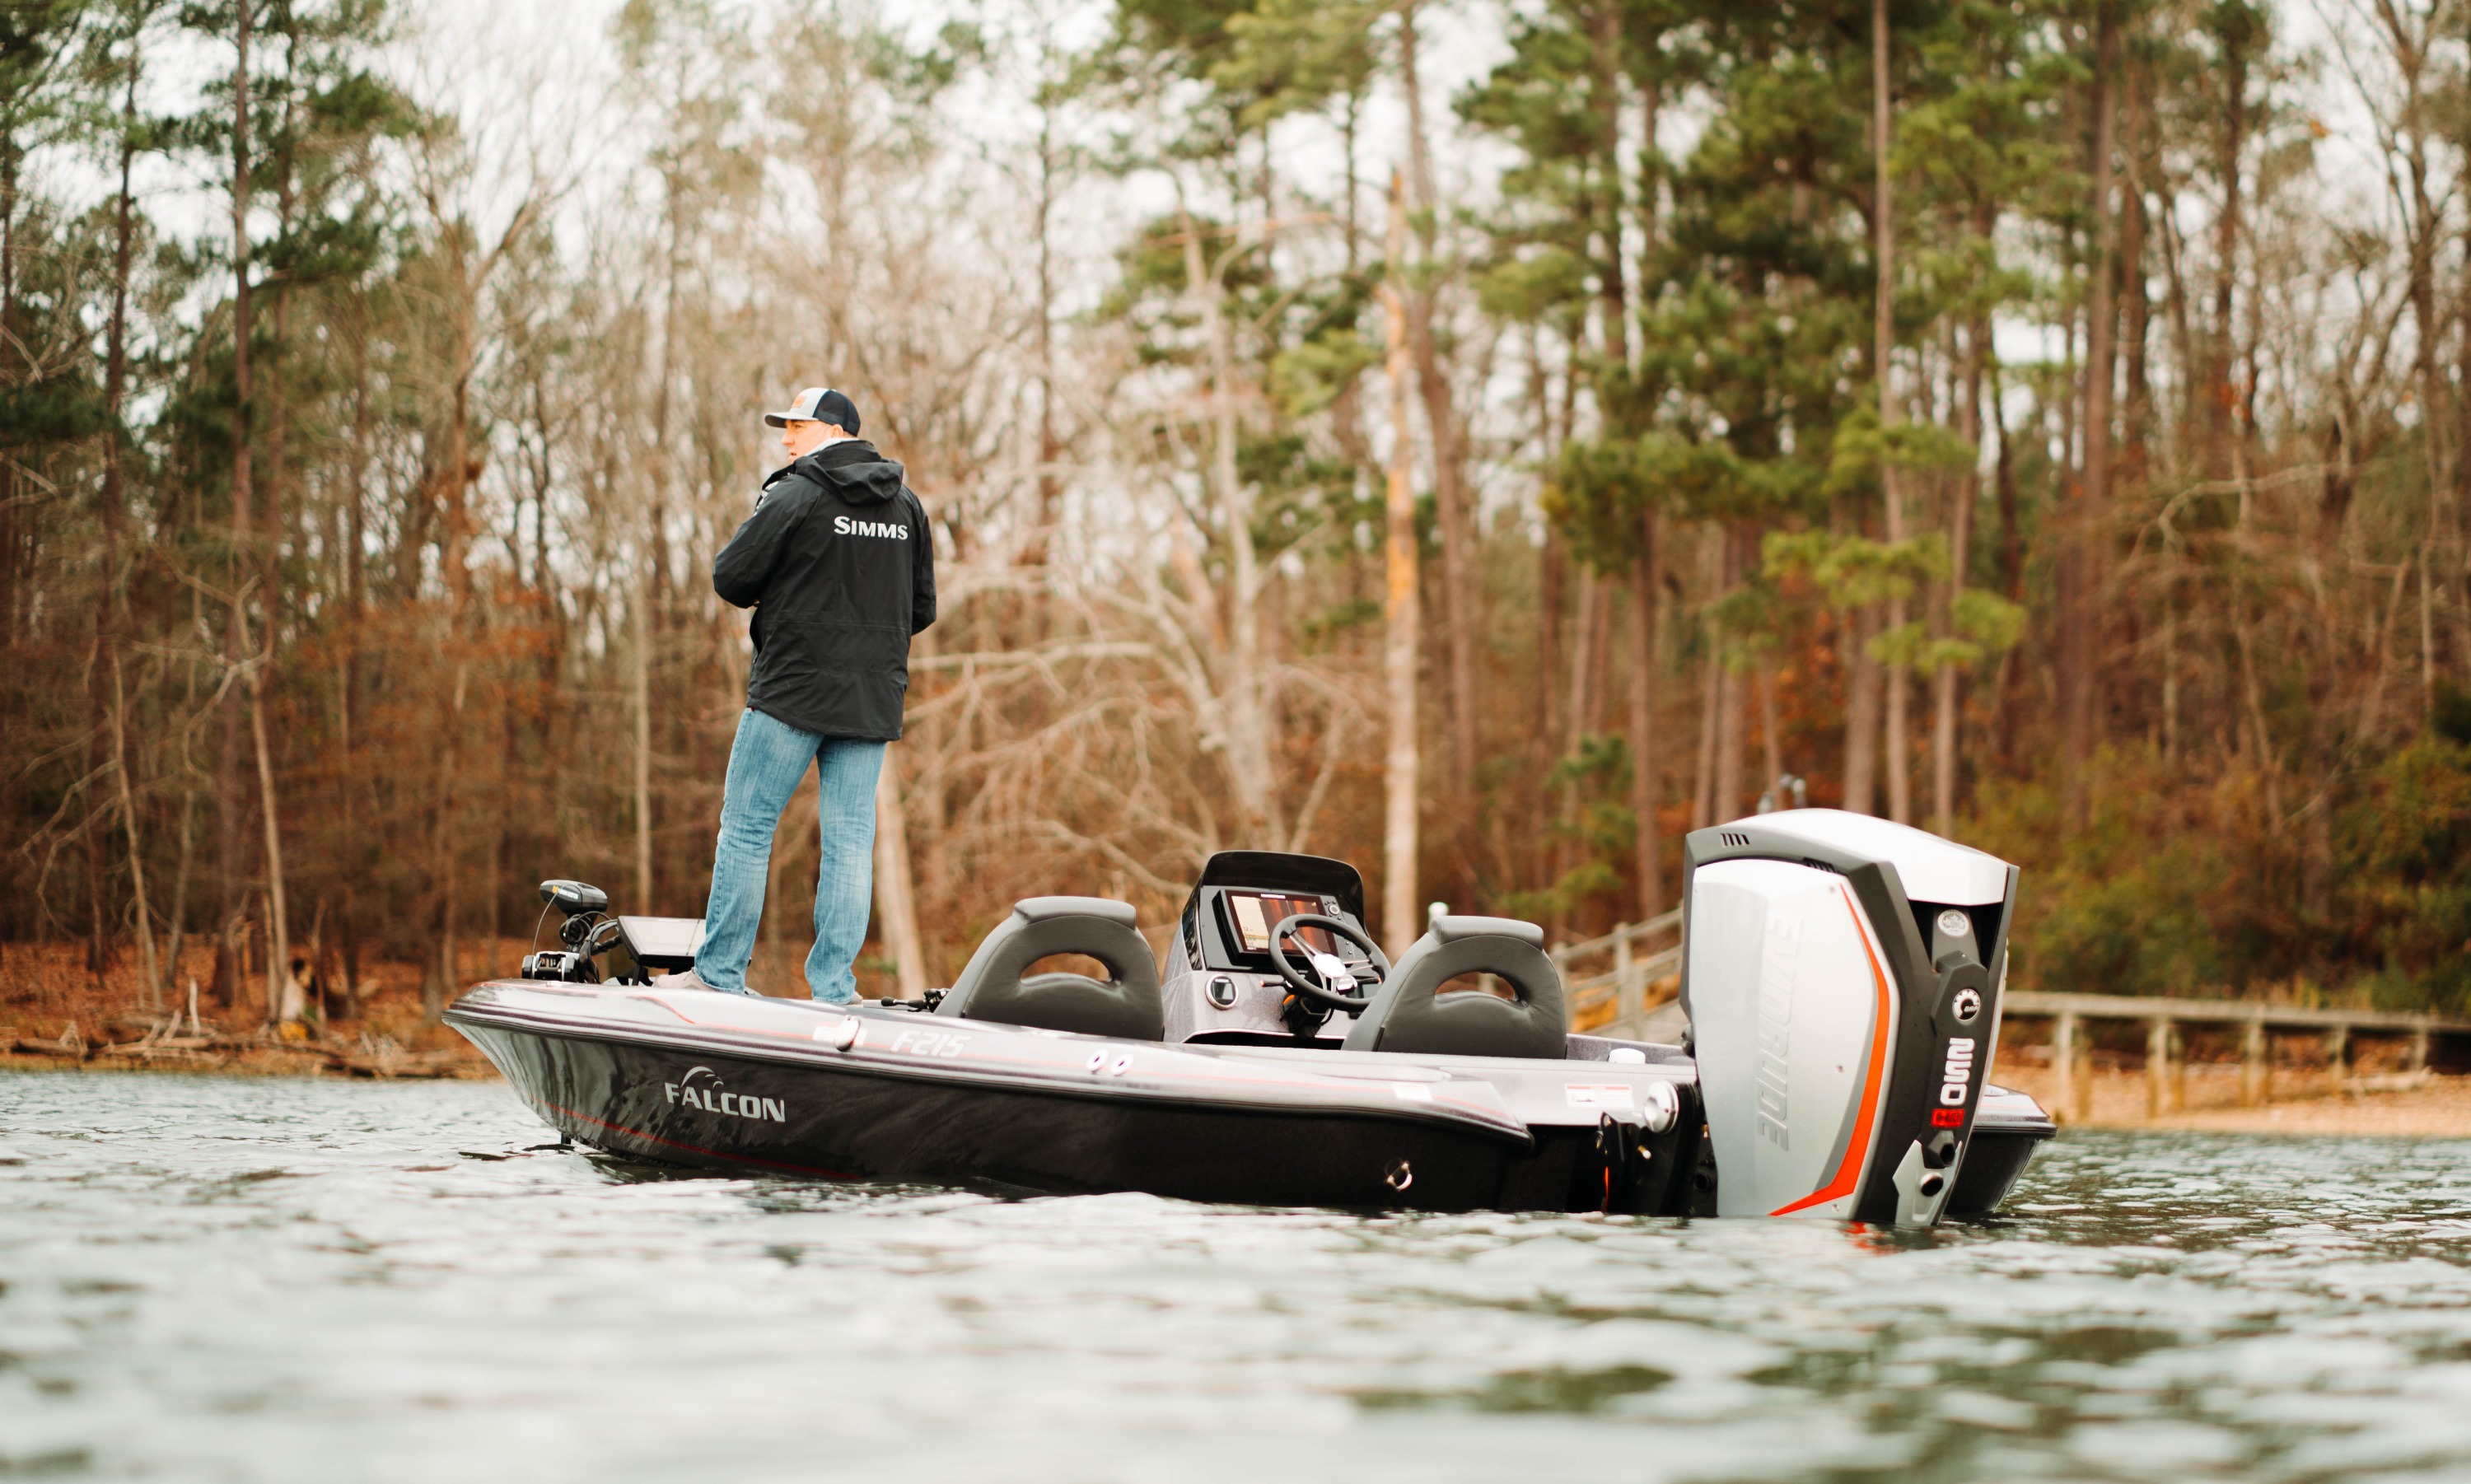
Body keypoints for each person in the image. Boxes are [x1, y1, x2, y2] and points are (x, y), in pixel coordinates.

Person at [654, 387, 936, 1004]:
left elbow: (731, 576)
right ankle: (834, 990)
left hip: (791, 692)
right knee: (850, 844)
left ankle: (720, 976)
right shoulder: (908, 507)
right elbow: (920, 610)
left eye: (797, 426)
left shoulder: (796, 492)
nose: (786, 438)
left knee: (749, 830)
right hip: (870, 699)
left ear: (835, 430)